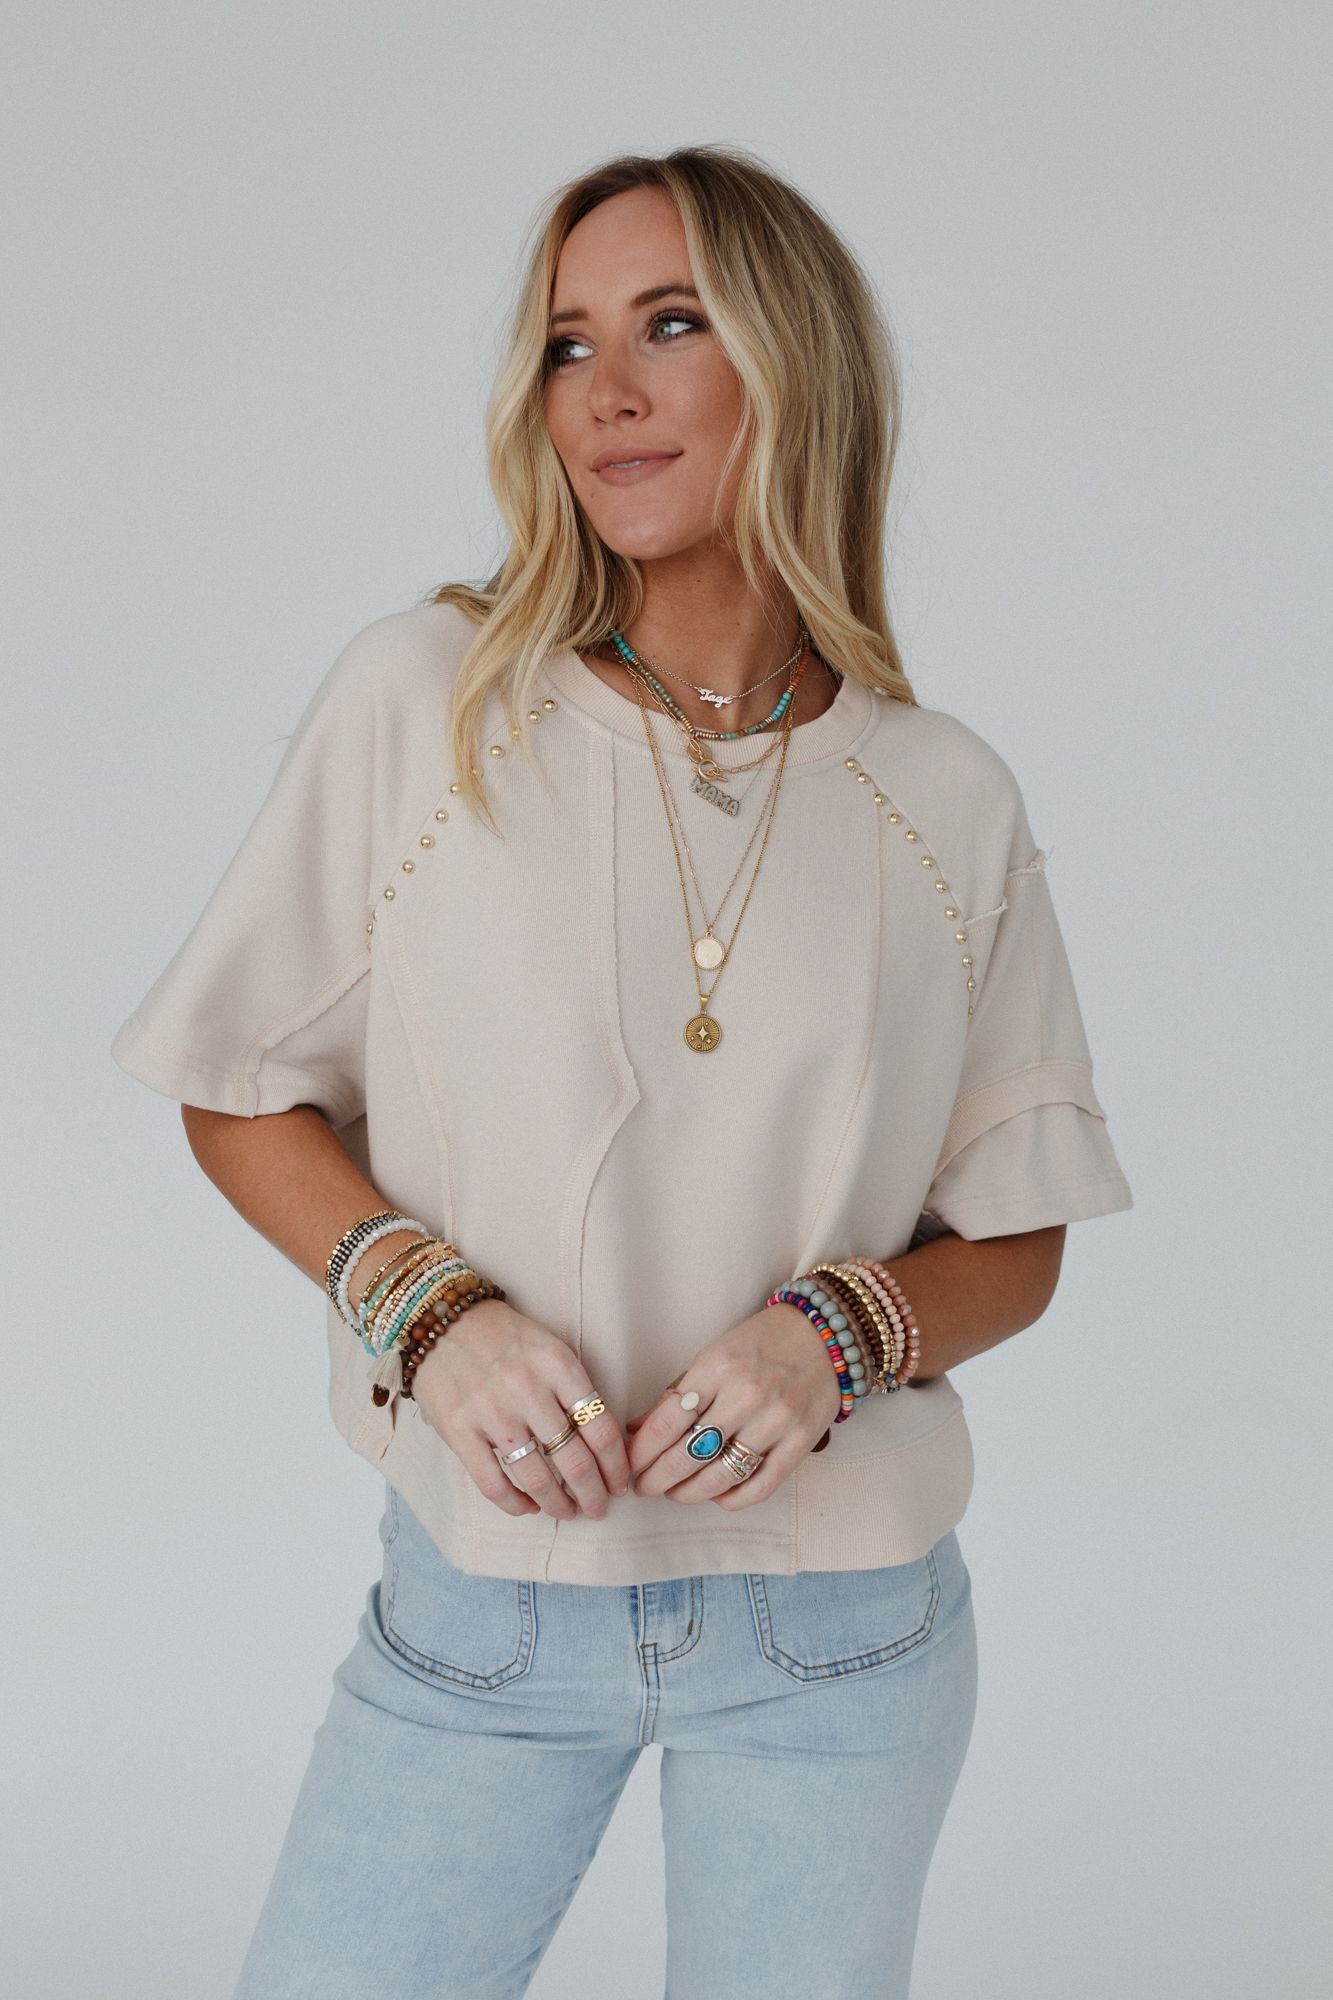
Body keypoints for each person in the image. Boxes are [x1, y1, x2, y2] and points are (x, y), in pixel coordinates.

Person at [110, 144, 1133, 1999]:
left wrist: (829, 1337)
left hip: (840, 1636)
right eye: (568, 344)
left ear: (795, 364)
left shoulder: (942, 797)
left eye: (671, 325)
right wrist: (430, 1313)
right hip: (485, 1614)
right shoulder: (430, 702)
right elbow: (237, 1082)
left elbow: (1018, 1236)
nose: (606, 391)